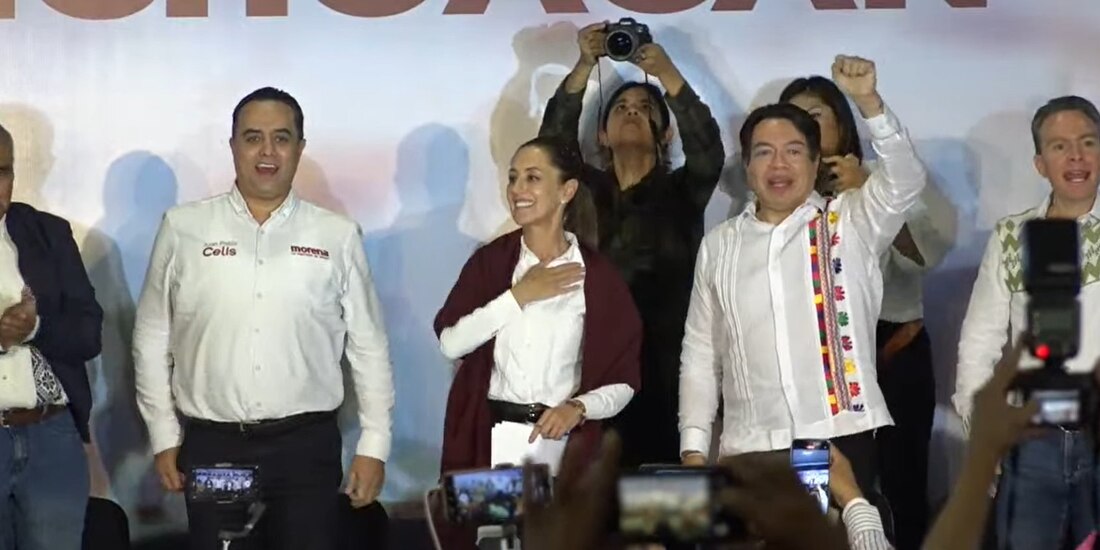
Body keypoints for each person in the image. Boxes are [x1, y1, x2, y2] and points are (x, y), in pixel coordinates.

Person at [133, 87, 395, 550]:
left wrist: (374, 444)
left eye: (282, 138)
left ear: (300, 148)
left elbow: (368, 346)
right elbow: (152, 337)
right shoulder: (183, 228)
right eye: (253, 138)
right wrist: (163, 434)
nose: (267, 152)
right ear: (233, 145)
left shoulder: (336, 235)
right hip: (214, 450)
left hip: (305, 450)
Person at [678, 56, 926, 514]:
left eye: (793, 150)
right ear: (748, 167)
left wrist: (869, 102)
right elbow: (700, 354)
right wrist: (694, 449)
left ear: (815, 163)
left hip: (844, 438)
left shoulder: (851, 220)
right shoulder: (720, 245)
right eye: (764, 151)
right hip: (750, 447)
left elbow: (906, 181)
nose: (779, 164)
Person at [538, 21, 724, 467]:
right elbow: (550, 149)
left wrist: (668, 73)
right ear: (600, 135)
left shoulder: (684, 192)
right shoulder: (581, 192)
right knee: (591, 515)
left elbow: (709, 152)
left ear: (665, 134)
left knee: (658, 519)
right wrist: (585, 65)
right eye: (620, 107)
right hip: (587, 374)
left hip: (664, 374)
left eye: (644, 107)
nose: (632, 112)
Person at [778, 75, 952, 549]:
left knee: (901, 480)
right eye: (792, 118)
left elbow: (928, 254)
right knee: (824, 487)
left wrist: (871, 189)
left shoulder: (886, 176)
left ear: (841, 122)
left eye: (813, 117)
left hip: (892, 347)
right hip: (814, 361)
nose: (802, 128)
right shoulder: (777, 188)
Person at [434, 136, 641, 475]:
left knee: (556, 530)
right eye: (513, 178)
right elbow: (451, 343)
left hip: (564, 447)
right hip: (489, 442)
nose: (517, 189)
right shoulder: (491, 262)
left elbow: (624, 379)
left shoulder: (598, 276)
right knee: (491, 529)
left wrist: (579, 407)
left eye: (532, 177)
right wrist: (520, 295)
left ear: (567, 190)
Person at [954, 95, 1100, 550]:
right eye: (1059, 147)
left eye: (1087, 142)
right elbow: (978, 345)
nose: (1075, 156)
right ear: (1040, 164)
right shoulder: (1012, 237)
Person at [0, 122, 103, 550]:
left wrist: (35, 327)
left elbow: (88, 332)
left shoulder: (48, 234)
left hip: (50, 436)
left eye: (2, 171)